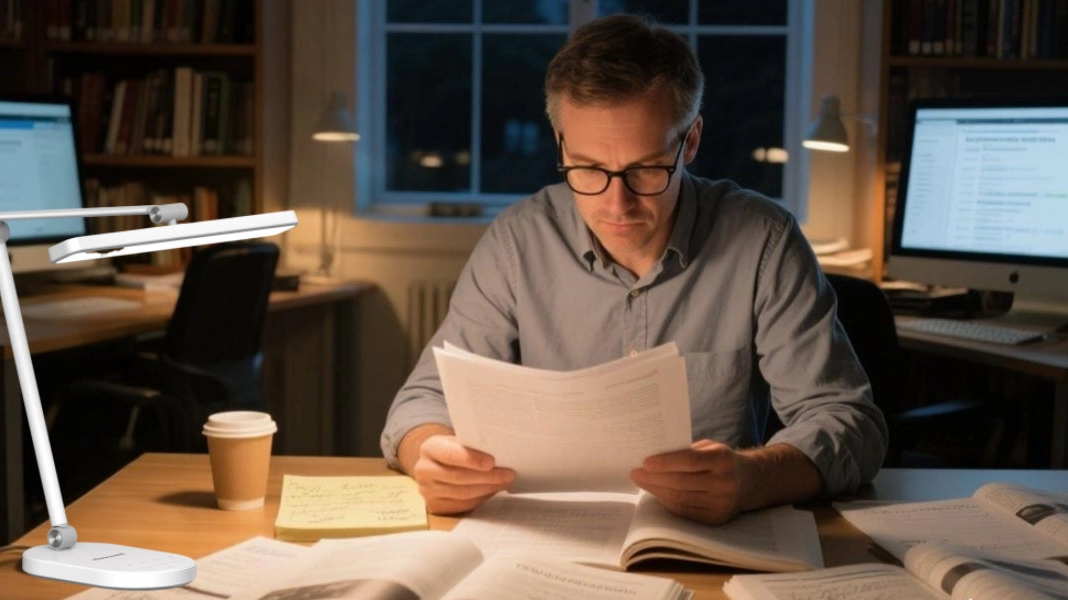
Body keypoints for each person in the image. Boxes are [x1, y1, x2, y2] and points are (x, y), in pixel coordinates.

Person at [380, 14, 887, 525]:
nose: (616, 204)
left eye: (645, 169)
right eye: (588, 168)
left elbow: (850, 422)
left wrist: (753, 478)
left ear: (690, 141)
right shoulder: (517, 243)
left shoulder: (764, 241)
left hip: (710, 539)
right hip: (547, 540)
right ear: (560, 142)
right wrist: (432, 453)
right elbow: (420, 403)